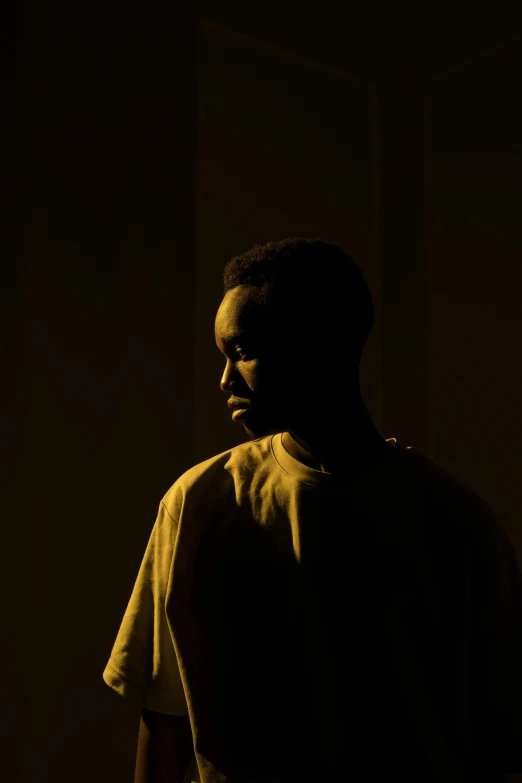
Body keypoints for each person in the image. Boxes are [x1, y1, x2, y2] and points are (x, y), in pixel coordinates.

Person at [103, 238, 522, 783]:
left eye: (242, 351)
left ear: (318, 344)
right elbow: (166, 720)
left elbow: (497, 741)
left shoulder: (453, 525)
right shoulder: (200, 502)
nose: (225, 380)